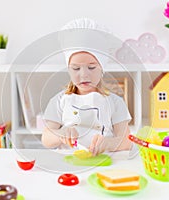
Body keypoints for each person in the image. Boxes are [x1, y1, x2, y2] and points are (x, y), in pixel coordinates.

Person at [41, 19, 132, 156]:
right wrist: (60, 134)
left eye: (91, 67)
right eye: (76, 68)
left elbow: (126, 142)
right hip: (68, 164)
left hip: (103, 163)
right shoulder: (60, 100)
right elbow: (46, 139)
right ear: (69, 69)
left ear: (102, 68)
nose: (84, 75)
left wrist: (108, 143)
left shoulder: (115, 102)